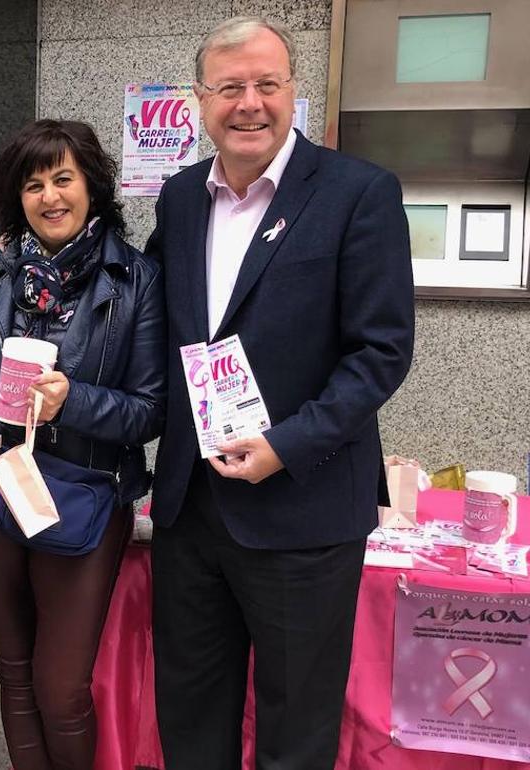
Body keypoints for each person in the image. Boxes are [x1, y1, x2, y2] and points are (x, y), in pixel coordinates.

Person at [145, 16, 415, 770]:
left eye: (267, 83)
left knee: (296, 732)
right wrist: (26, 252)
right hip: (192, 510)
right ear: (201, 100)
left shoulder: (358, 193)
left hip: (305, 512)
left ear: (294, 90)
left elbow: (382, 351)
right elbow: (141, 306)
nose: (249, 103)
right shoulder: (178, 198)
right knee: (192, 718)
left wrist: (285, 446)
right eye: (230, 87)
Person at [0, 119, 166, 770]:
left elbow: (152, 410)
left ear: (91, 184)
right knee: (13, 671)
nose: (50, 196)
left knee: (61, 687)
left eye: (63, 178)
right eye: (33, 184)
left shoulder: (136, 280)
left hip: (84, 495)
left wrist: (74, 400)